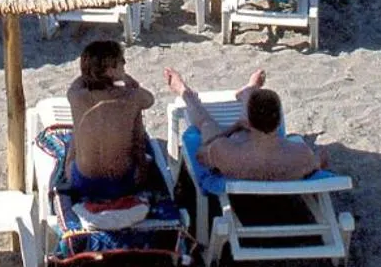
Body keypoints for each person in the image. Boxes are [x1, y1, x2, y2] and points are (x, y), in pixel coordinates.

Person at [164, 67, 322, 181]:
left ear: (249, 121)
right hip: (278, 181)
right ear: (278, 122)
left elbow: (200, 156)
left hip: (237, 161)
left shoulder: (224, 152)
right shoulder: (301, 154)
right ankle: (249, 91)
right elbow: (319, 162)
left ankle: (186, 94)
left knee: (206, 124)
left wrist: (234, 127)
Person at [62, 41, 155, 198]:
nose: (125, 63)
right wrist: (126, 79)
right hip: (122, 184)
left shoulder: (76, 96)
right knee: (137, 123)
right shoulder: (131, 97)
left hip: (83, 183)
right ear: (110, 70)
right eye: (121, 61)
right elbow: (149, 99)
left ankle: (68, 169)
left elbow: (78, 82)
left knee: (75, 134)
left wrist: (92, 73)